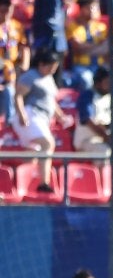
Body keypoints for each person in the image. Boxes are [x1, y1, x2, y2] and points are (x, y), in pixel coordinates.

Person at [12, 50, 67, 194]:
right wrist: (22, 114)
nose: (53, 70)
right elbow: (18, 96)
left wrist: (61, 116)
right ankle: (44, 184)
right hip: (30, 115)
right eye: (50, 66)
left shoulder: (48, 78)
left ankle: (21, 188)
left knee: (33, 153)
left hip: (43, 118)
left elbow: (50, 101)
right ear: (41, 64)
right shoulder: (30, 76)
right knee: (47, 144)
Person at [66, 0, 107, 93]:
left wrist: (86, 47)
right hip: (81, 65)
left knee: (109, 78)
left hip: (99, 65)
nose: (93, 11)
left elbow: (106, 48)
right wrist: (97, 45)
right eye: (90, 8)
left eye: (95, 8)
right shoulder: (72, 26)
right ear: (81, 9)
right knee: (87, 80)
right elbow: (78, 47)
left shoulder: (101, 27)